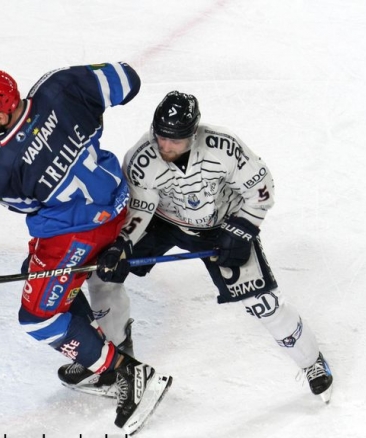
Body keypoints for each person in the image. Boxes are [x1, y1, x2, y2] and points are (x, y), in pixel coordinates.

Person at [0, 62, 171, 431]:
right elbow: (128, 80)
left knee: (38, 319)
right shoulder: (58, 86)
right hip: (117, 202)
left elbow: (25, 204)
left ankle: (125, 371)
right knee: (33, 273)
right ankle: (97, 357)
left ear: (2, 114)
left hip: (76, 234)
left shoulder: (2, 163)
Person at [97, 91, 333, 403]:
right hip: (163, 221)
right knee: (104, 274)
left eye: (175, 140)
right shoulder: (141, 159)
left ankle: (311, 361)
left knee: (262, 302)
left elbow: (261, 188)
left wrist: (243, 229)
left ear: (193, 134)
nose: (165, 146)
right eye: (160, 136)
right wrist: (123, 243)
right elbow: (141, 206)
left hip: (221, 224)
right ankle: (115, 362)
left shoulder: (223, 147)